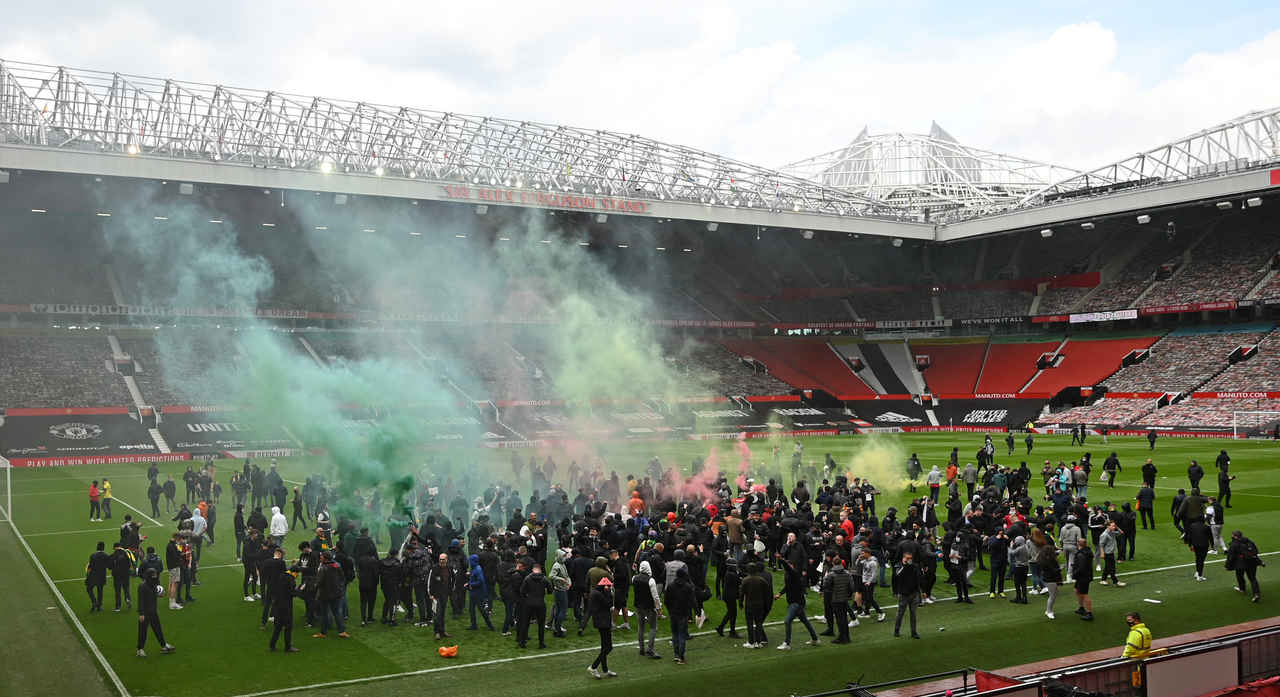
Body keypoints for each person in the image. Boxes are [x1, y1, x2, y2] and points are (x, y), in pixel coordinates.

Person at [135, 567, 175, 657]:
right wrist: (141, 614)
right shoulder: (142, 587)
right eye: (153, 575)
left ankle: (164, 645)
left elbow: (159, 594)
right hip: (145, 613)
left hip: (153, 611)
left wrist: (161, 594)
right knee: (142, 632)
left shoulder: (154, 585)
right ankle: (140, 649)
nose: (155, 577)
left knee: (158, 629)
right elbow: (140, 601)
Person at [313, 550, 350, 639]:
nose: (320, 558)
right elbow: (342, 578)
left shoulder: (323, 568)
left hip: (325, 594)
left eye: (321, 557)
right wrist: (340, 588)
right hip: (337, 594)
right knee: (337, 613)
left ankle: (323, 632)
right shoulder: (337, 565)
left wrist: (314, 586)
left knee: (325, 613)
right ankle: (342, 631)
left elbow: (319, 582)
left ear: (325, 558)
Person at [587, 577, 616, 678]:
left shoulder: (595, 593)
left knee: (605, 647)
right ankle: (594, 666)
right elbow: (609, 604)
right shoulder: (599, 594)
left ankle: (605, 669)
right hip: (603, 622)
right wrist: (609, 593)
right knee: (608, 647)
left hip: (600, 621)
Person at [633, 560, 662, 658]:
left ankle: (641, 649)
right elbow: (655, 596)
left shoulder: (634, 578)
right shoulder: (651, 580)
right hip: (649, 606)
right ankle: (650, 649)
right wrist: (658, 608)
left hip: (638, 606)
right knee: (653, 627)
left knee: (640, 627)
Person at [517, 562, 550, 649]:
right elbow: (550, 590)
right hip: (540, 603)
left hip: (529, 603)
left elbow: (522, 591)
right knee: (541, 624)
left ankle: (522, 642)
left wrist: (527, 596)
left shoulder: (527, 578)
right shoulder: (544, 579)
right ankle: (541, 643)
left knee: (525, 623)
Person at [666, 567, 696, 664]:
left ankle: (676, 654)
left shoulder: (670, 586)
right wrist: (697, 612)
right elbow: (692, 601)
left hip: (673, 613)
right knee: (682, 635)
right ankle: (681, 657)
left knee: (675, 634)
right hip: (683, 614)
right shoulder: (687, 587)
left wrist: (670, 610)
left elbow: (666, 601)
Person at [892, 551, 921, 639]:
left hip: (914, 593)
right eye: (907, 558)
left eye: (910, 558)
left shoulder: (915, 566)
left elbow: (918, 579)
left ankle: (914, 632)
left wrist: (920, 592)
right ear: (903, 558)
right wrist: (905, 566)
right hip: (903, 594)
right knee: (900, 613)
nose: (909, 560)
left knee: (913, 614)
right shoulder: (898, 566)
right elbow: (897, 575)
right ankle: (896, 630)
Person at [1226, 531, 1262, 602]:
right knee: (1252, 578)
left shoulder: (1234, 544)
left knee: (1239, 576)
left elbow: (1231, 556)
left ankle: (1242, 589)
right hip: (1252, 563)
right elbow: (1256, 551)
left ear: (1235, 536)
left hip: (1240, 564)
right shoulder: (1249, 541)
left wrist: (1227, 565)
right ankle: (1256, 594)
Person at [428, 552, 453, 640]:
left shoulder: (449, 568)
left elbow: (452, 580)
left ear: (446, 559)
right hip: (436, 595)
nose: (441, 561)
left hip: (445, 594)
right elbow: (430, 582)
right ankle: (437, 632)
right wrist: (431, 594)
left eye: (443, 559)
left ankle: (442, 631)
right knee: (437, 614)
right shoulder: (434, 568)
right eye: (440, 559)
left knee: (442, 613)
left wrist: (450, 591)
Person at [1071, 539, 1095, 621]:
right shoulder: (1086, 551)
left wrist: (1074, 573)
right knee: (1076, 590)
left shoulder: (1081, 554)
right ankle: (1082, 608)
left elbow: (1081, 567)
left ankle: (1089, 613)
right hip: (1084, 576)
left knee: (1084, 594)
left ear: (1078, 544)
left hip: (1083, 577)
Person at [85, 541, 111, 612]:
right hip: (102, 575)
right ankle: (99, 606)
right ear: (103, 548)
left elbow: (89, 567)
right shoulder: (106, 555)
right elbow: (109, 566)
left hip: (93, 575)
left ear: (97, 547)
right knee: (100, 591)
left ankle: (94, 602)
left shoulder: (93, 555)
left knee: (89, 589)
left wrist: (87, 576)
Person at [1038, 543, 1062, 620]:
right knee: (1052, 596)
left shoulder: (1043, 558)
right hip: (1050, 579)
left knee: (1054, 594)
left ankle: (1049, 610)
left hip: (1049, 579)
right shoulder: (1047, 561)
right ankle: (1049, 611)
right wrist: (1060, 568)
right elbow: (1053, 570)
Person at [110, 542, 134, 612]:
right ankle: (128, 599)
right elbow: (130, 563)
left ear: (115, 548)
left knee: (118, 591)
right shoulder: (126, 553)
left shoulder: (113, 555)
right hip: (126, 574)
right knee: (126, 588)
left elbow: (110, 566)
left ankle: (118, 607)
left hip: (117, 575)